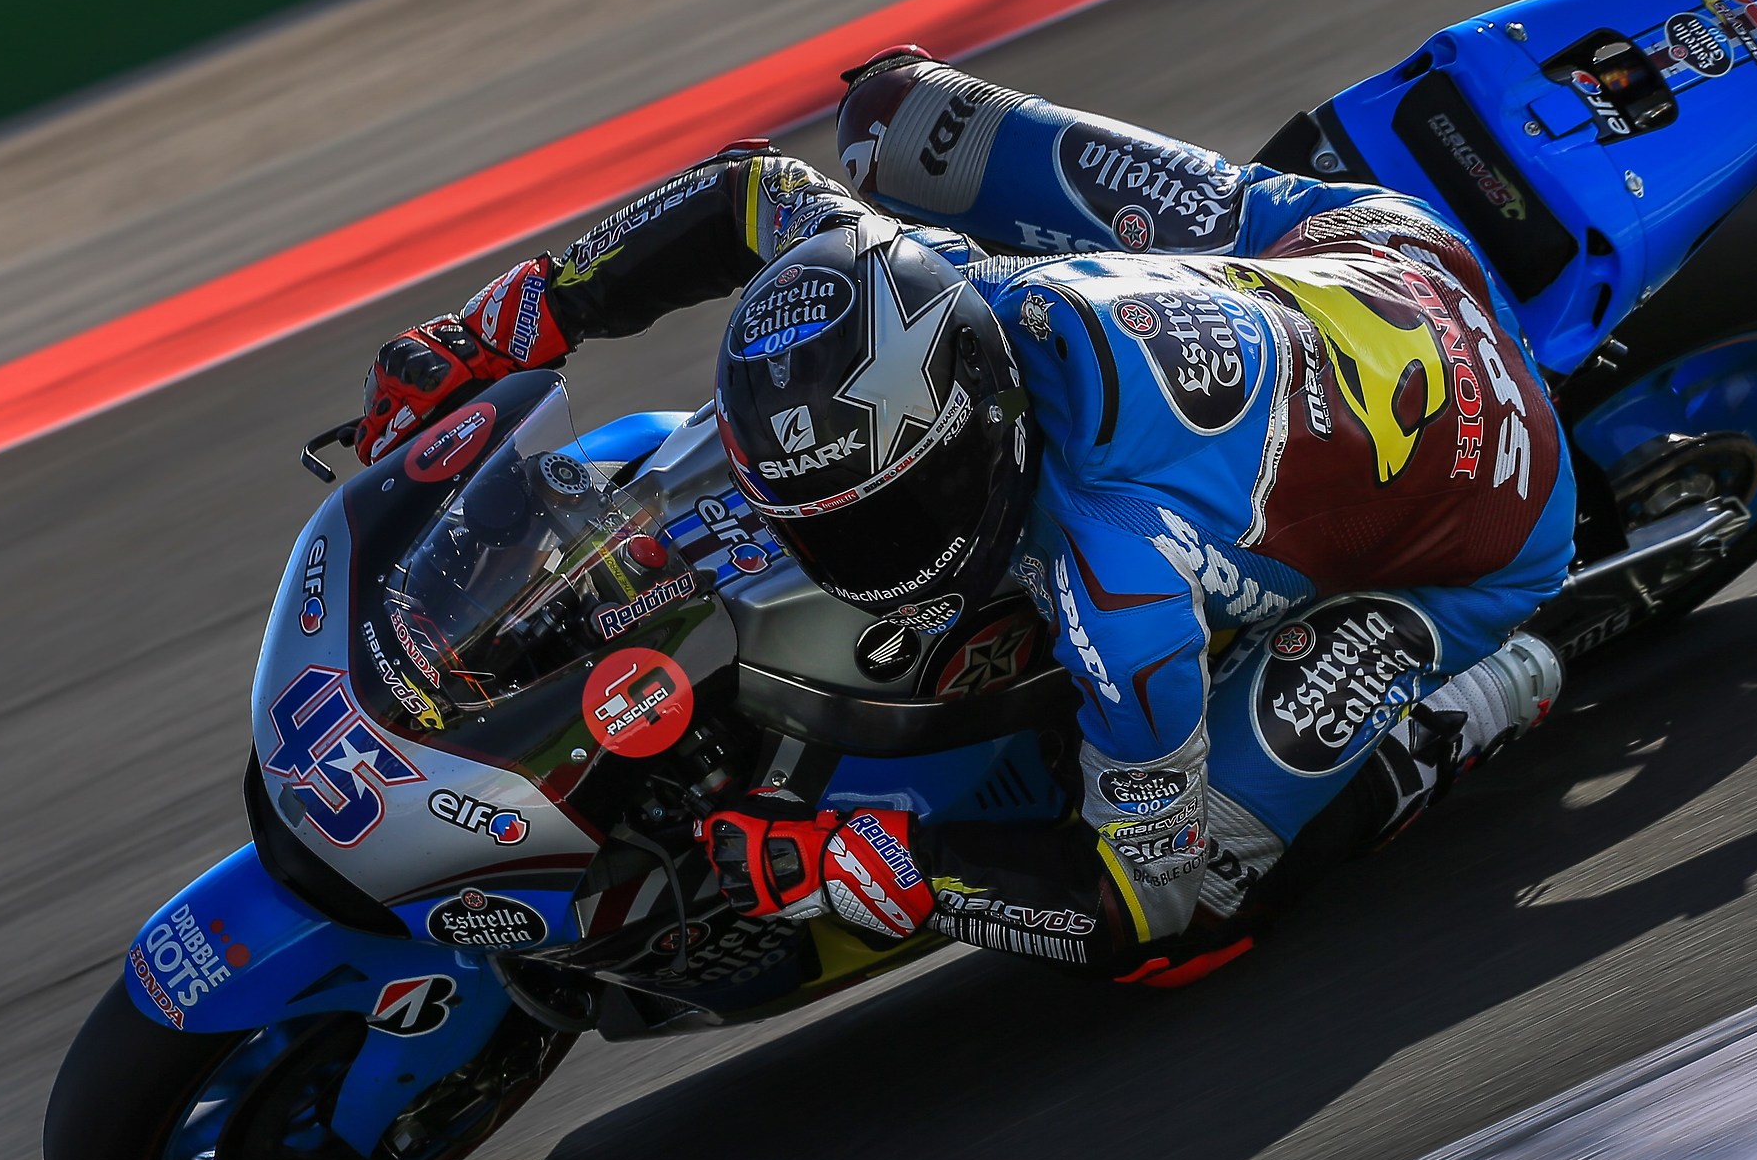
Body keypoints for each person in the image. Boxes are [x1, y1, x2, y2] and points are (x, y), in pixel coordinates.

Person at [358, 49, 1573, 987]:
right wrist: (503, 327)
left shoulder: (1125, 591)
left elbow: (1135, 893)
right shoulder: (895, 268)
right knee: (892, 111)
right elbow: (747, 193)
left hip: (1489, 518)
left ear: (973, 450)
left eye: (879, 522)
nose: (829, 556)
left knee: (1194, 918)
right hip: (1365, 255)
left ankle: (1490, 690)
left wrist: (895, 869)